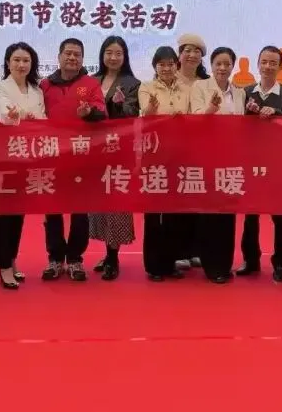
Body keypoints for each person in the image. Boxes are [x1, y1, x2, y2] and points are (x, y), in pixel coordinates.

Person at [40, 38, 106, 281]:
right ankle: (55, 258)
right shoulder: (45, 85)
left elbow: (102, 112)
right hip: (52, 155)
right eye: (67, 53)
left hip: (81, 156)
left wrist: (89, 113)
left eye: (77, 54)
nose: (72, 58)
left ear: (82, 59)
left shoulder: (91, 84)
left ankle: (76, 258)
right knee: (52, 211)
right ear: (59, 57)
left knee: (80, 211)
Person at [237, 45, 282, 282]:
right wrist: (248, 112)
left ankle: (280, 263)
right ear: (257, 64)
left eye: (273, 63)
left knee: (279, 216)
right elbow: (236, 124)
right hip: (251, 160)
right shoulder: (246, 92)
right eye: (264, 62)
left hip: (277, 162)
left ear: (280, 67)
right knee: (250, 214)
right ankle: (250, 260)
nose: (268, 67)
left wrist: (277, 112)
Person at [0, 42, 46, 289]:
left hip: (29, 157)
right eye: (16, 60)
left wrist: (34, 119)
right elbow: (3, 113)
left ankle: (12, 260)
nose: (21, 65)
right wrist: (20, 116)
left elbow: (44, 119)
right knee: (4, 213)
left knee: (18, 213)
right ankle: (3, 266)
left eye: (26, 61)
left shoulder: (37, 90)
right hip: (6, 156)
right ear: (8, 62)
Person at [190, 46, 247, 283]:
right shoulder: (200, 87)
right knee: (209, 212)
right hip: (206, 157)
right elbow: (194, 120)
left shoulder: (239, 93)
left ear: (233, 66)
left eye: (227, 64)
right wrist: (211, 110)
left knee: (227, 213)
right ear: (211, 66)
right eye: (218, 64)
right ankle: (210, 265)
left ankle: (224, 263)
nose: (222, 68)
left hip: (231, 159)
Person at [138, 46, 192, 281]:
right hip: (154, 155)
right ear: (155, 67)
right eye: (161, 64)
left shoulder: (186, 89)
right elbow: (145, 114)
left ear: (176, 66)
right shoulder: (146, 87)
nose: (166, 68)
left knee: (174, 213)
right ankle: (153, 266)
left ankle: (170, 263)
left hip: (179, 156)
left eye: (170, 64)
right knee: (153, 213)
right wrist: (151, 108)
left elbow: (193, 117)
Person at [90, 35, 140, 281]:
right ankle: (105, 250)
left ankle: (113, 256)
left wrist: (120, 105)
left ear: (124, 57)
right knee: (98, 204)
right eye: (109, 52)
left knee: (117, 203)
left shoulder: (133, 83)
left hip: (119, 150)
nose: (113, 57)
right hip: (93, 150)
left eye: (118, 53)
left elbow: (133, 113)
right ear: (102, 55)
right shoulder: (91, 81)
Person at [174, 33, 209, 269]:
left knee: (200, 199)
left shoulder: (207, 82)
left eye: (197, 51)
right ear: (179, 54)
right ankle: (180, 251)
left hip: (202, 149)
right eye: (187, 50)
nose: (192, 55)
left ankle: (197, 249)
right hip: (175, 149)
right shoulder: (168, 77)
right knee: (178, 202)